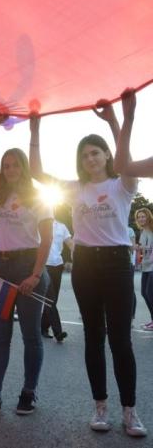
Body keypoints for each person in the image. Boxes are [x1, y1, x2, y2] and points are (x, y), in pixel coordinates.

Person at [29, 91, 147, 437]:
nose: (90, 158)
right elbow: (36, 172)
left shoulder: (123, 183)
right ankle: (100, 407)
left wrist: (116, 120)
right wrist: (35, 128)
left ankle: (130, 411)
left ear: (107, 154)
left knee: (120, 340)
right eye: (84, 155)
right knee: (94, 337)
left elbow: (126, 160)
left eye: (95, 152)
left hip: (117, 263)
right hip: (84, 266)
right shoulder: (74, 188)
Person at [0, 113, 53, 419]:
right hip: (2, 270)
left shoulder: (40, 197)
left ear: (24, 167)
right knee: (1, 337)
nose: (10, 169)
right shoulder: (2, 194)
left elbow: (46, 240)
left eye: (16, 164)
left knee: (31, 336)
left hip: (29, 268)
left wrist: (35, 274)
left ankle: (29, 392)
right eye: (7, 166)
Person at [41, 214, 73, 342]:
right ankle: (58, 332)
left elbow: (70, 243)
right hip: (43, 265)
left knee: (53, 299)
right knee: (50, 299)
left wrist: (77, 255)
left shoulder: (61, 226)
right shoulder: (37, 224)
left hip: (57, 265)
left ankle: (42, 327)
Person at [135, 207, 153, 330]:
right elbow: (143, 249)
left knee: (150, 293)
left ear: (148, 217)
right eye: (139, 217)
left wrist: (144, 248)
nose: (141, 219)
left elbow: (148, 247)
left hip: (152, 266)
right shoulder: (143, 232)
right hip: (146, 266)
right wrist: (139, 249)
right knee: (144, 293)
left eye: (143, 216)